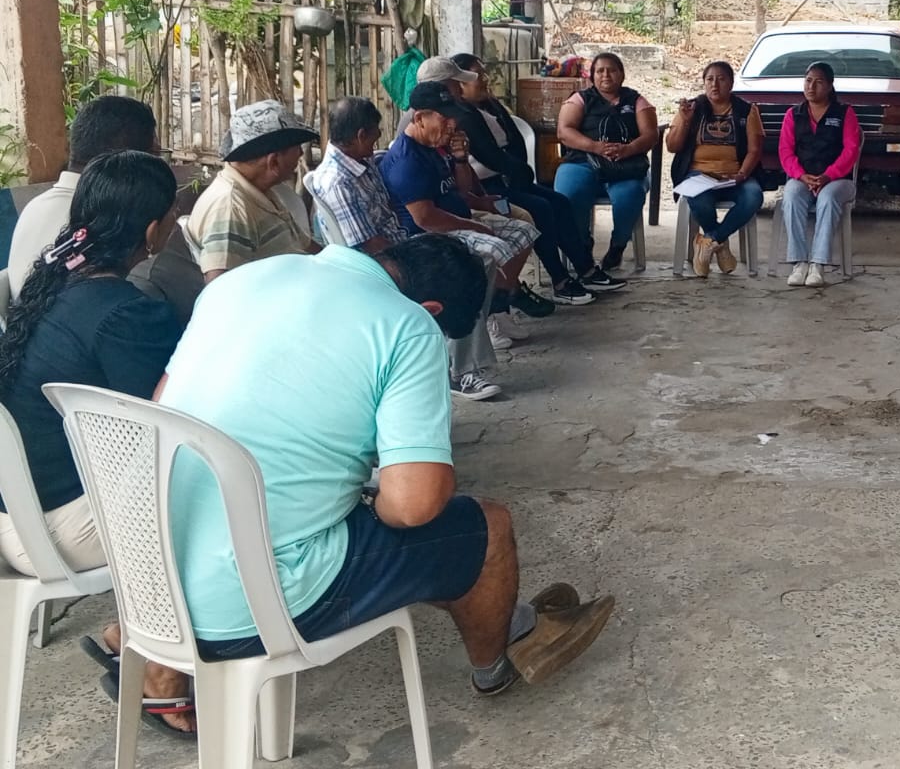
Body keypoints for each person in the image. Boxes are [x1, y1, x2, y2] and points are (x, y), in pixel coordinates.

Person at [160, 235, 616, 698]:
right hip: (249, 609)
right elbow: (413, 507)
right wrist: (376, 495)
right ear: (432, 310)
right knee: (483, 528)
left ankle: (511, 617)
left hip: (154, 577)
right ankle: (497, 664)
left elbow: (159, 410)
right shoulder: (408, 324)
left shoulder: (244, 278)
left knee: (399, 537)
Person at [0, 151, 194, 733]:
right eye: (172, 215)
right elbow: (178, 422)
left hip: (15, 515)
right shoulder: (128, 314)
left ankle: (130, 631)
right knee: (219, 490)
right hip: (59, 532)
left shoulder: (51, 283)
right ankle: (161, 673)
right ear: (154, 231)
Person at [306, 96, 505, 402]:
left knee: (477, 259)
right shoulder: (337, 181)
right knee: (464, 270)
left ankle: (461, 357)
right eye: (373, 135)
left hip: (399, 245)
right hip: (381, 264)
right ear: (360, 135)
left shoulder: (360, 161)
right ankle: (459, 371)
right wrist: (421, 255)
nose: (377, 141)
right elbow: (370, 246)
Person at [7, 96, 203, 323]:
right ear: (129, 161)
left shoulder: (34, 207)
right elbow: (195, 306)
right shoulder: (121, 222)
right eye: (155, 156)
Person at [448, 52, 624, 301]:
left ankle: (586, 270)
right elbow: (490, 155)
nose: (485, 79)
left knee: (560, 202)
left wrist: (521, 170)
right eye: (478, 75)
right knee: (540, 209)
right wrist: (520, 170)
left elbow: (515, 140)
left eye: (484, 73)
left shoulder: (489, 105)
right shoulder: (462, 115)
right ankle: (560, 281)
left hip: (511, 178)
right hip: (488, 188)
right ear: (460, 83)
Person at [380, 82, 553, 329]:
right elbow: (426, 219)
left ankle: (494, 304)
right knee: (496, 248)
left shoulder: (436, 146)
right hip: (430, 236)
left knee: (524, 232)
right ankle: (486, 315)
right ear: (419, 118)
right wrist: (474, 226)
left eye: (453, 117)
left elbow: (461, 191)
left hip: (458, 220)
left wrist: (461, 159)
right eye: (444, 118)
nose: (452, 124)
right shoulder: (406, 160)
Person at [187, 100, 320, 281]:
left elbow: (305, 245)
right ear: (274, 162)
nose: (301, 154)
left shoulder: (262, 192)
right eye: (297, 148)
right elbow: (220, 288)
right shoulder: (230, 208)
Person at [554, 53, 658, 273]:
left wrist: (628, 149)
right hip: (583, 161)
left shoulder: (636, 100)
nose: (606, 75)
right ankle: (582, 247)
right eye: (600, 71)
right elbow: (564, 132)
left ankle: (617, 246)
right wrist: (595, 147)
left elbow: (650, 135)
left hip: (625, 164)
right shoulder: (581, 99)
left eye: (611, 70)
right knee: (569, 195)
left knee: (630, 195)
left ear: (622, 74)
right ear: (592, 76)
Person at [665, 60, 765, 278]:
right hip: (699, 174)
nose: (715, 84)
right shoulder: (692, 108)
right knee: (699, 201)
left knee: (753, 196)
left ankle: (708, 241)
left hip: (735, 175)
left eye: (721, 79)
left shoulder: (747, 111)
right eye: (710, 79)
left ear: (731, 83)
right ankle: (720, 244)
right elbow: (672, 146)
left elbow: (755, 150)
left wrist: (741, 175)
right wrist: (685, 121)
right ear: (703, 83)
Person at [777, 61, 861, 287]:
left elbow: (851, 151)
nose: (811, 87)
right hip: (802, 178)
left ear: (830, 86)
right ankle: (799, 263)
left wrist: (828, 176)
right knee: (791, 196)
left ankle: (818, 264)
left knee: (828, 198)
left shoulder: (844, 113)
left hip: (838, 181)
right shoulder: (793, 114)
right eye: (808, 81)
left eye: (819, 82)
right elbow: (785, 152)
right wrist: (801, 175)